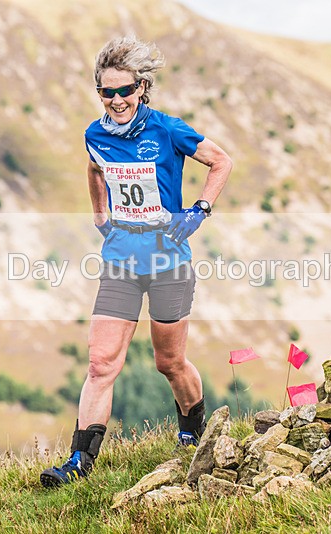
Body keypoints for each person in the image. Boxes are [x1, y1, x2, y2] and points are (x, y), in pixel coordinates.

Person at [40, 36, 232, 487]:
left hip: (169, 260)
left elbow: (221, 162)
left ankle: (191, 431)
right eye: (107, 92)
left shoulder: (167, 129)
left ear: (142, 88)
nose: (117, 100)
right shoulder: (95, 135)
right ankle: (79, 463)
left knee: (170, 362)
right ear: (99, 94)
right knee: (101, 363)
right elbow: (93, 169)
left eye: (126, 90)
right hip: (121, 259)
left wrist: (199, 210)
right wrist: (100, 216)